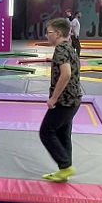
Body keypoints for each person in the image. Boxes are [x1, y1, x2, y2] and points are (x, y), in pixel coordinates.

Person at [40, 17, 82, 182]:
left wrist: (53, 98)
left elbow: (66, 74)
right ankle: (64, 169)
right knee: (63, 134)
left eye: (48, 32)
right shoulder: (70, 47)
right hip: (74, 99)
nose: (46, 35)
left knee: (46, 132)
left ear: (57, 33)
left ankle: (65, 166)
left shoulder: (61, 50)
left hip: (64, 101)